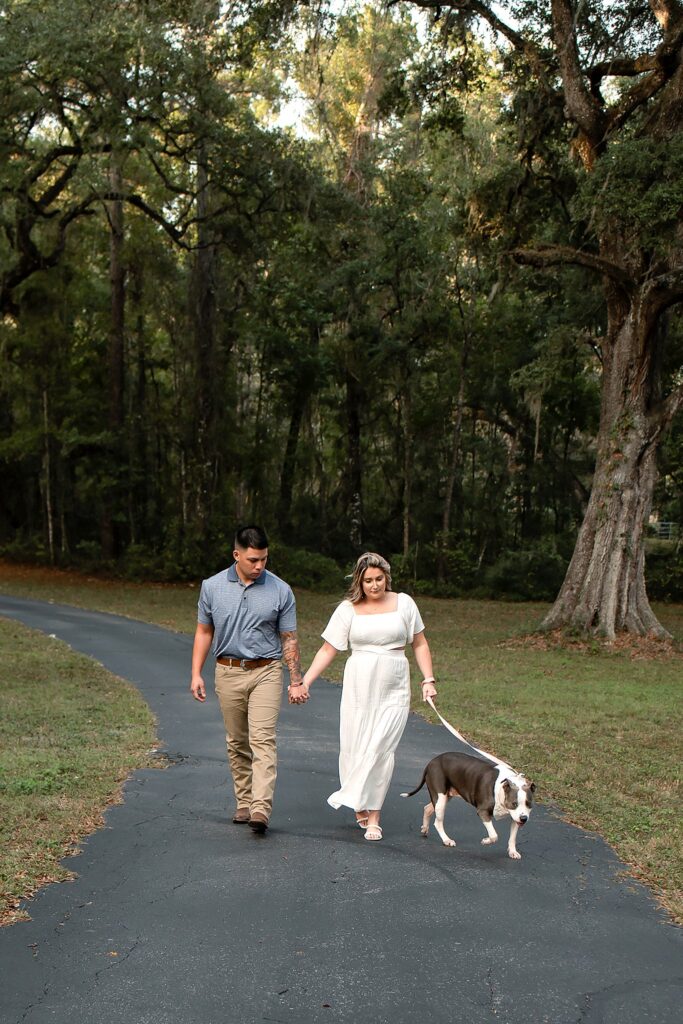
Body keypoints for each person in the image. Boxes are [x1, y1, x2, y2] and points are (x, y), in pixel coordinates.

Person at [301, 552, 437, 841]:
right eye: (367, 581)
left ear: (386, 577)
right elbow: (328, 649)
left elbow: (420, 644)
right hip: (358, 685)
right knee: (356, 745)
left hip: (394, 686)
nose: (374, 586)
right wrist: (305, 681)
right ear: (359, 582)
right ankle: (359, 800)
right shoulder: (347, 609)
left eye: (379, 579)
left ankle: (374, 816)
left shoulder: (404, 603)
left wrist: (428, 679)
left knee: (380, 748)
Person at [190, 525, 308, 834]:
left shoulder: (281, 590)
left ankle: (260, 808)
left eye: (264, 560)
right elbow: (204, 631)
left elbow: (289, 638)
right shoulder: (212, 587)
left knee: (262, 739)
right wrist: (195, 673)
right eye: (253, 560)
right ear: (237, 555)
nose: (259, 566)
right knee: (237, 741)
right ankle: (244, 802)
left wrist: (295, 680)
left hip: (266, 671)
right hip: (227, 671)